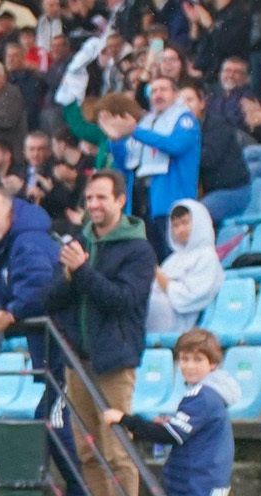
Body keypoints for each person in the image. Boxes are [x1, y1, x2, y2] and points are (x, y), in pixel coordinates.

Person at [47, 170, 156, 496]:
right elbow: (49, 300)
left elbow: (122, 301)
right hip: (77, 361)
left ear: (121, 201)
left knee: (117, 452)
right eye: (89, 198)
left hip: (115, 361)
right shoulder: (79, 243)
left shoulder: (139, 250)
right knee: (88, 453)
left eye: (101, 198)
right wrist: (68, 276)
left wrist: (81, 271)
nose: (93, 204)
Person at [0, 187, 84, 496]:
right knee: (46, 422)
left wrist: (12, 312)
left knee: (54, 424)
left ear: (11, 212)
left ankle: (81, 488)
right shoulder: (8, 245)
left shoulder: (27, 241)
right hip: (51, 353)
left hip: (67, 350)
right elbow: (0, 287)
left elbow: (39, 289)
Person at [103, 329, 238, 496]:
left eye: (198, 360)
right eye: (184, 359)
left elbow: (170, 435)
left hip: (196, 484)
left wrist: (125, 420)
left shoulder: (203, 397)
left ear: (213, 364)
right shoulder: (212, 394)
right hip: (208, 480)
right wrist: (171, 423)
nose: (189, 366)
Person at [100, 76, 200, 260]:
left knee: (174, 258)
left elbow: (175, 146)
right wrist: (115, 140)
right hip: (143, 201)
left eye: (163, 89)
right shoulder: (145, 123)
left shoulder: (185, 119)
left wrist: (135, 131)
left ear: (176, 94)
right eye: (153, 91)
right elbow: (125, 164)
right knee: (150, 260)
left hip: (170, 201)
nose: (158, 95)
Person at [146, 201, 223, 336]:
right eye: (175, 225)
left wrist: (158, 274)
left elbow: (190, 298)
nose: (180, 229)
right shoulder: (172, 260)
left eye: (185, 223)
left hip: (181, 320)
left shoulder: (207, 257)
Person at [181, 83, 251, 225]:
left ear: (202, 103)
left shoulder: (217, 125)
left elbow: (208, 158)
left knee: (194, 217)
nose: (184, 106)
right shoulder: (181, 131)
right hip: (207, 192)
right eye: (179, 101)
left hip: (232, 191)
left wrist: (178, 153)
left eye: (189, 100)